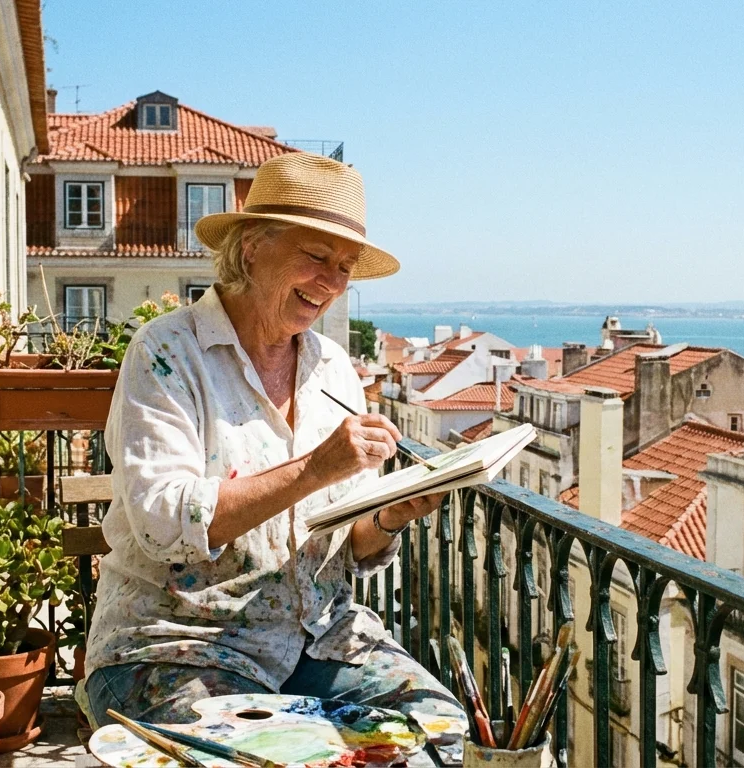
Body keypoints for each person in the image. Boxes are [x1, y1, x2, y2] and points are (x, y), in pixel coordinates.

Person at [77, 153, 466, 744]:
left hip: (320, 639)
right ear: (252, 246)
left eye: (345, 267)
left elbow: (351, 537)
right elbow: (162, 523)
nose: (333, 284)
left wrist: (388, 517)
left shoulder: (333, 367)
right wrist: (314, 468)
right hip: (179, 644)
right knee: (261, 755)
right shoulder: (167, 353)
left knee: (442, 733)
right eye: (315, 257)